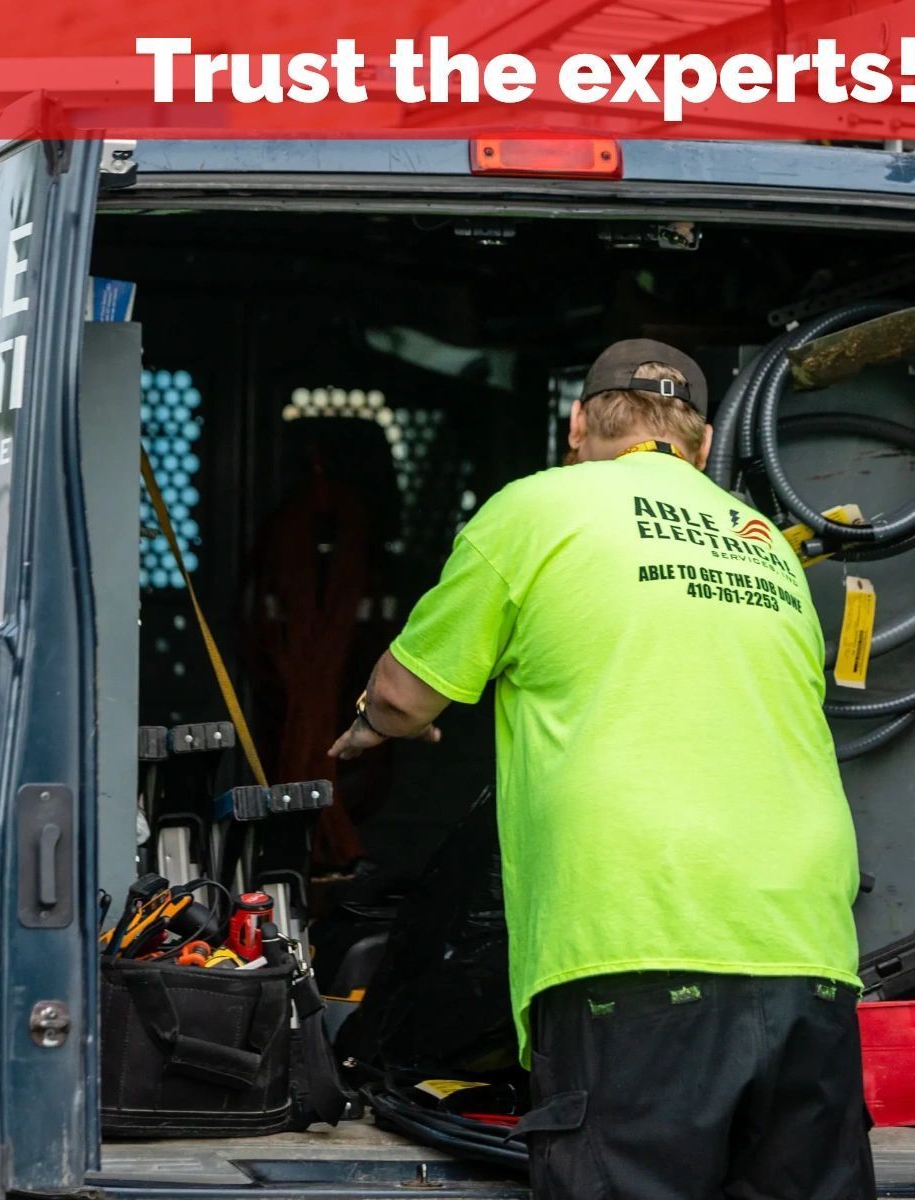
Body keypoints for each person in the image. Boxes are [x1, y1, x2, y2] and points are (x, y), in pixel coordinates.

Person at [328, 339, 874, 1200]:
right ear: (698, 447)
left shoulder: (538, 509)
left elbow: (406, 697)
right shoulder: (763, 544)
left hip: (638, 938)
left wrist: (370, 727)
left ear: (578, 423)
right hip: (808, 948)